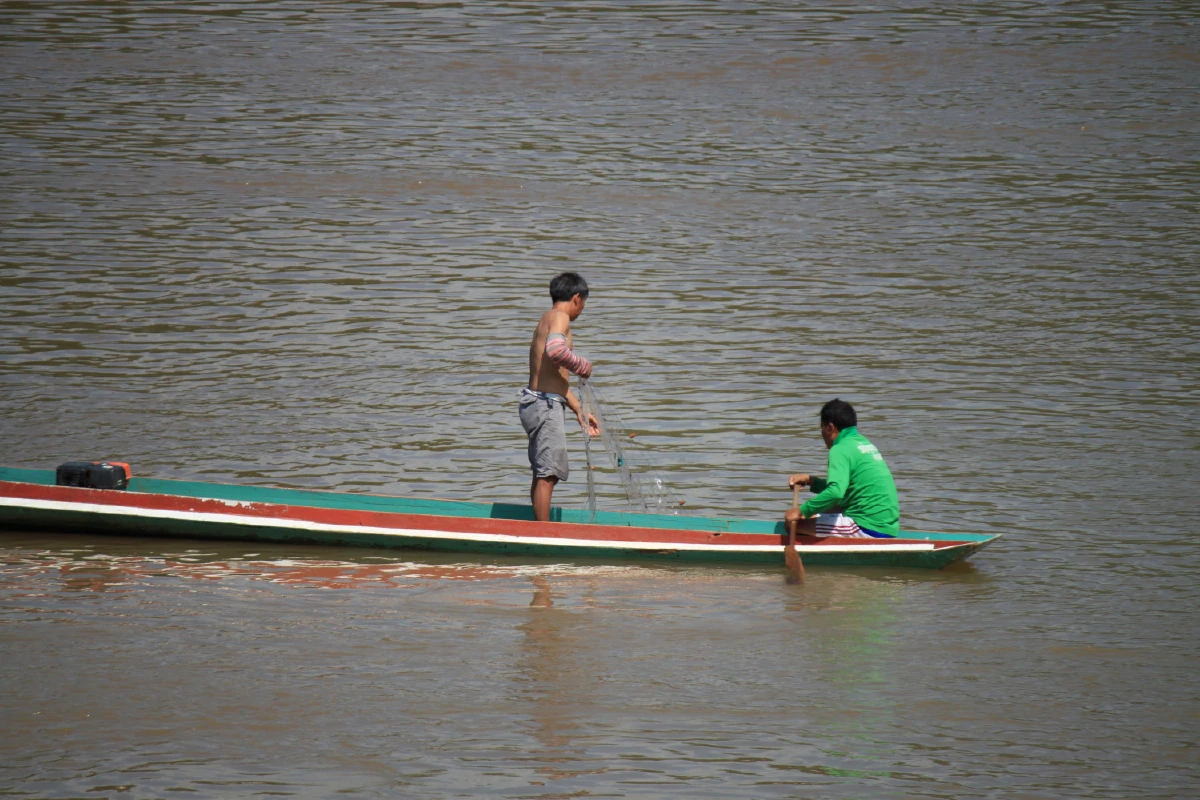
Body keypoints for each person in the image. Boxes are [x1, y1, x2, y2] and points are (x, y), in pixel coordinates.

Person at [520, 272, 600, 522]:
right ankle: (543, 535)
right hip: (545, 405)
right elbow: (556, 351)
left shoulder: (547, 318)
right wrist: (581, 365)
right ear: (577, 298)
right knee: (548, 475)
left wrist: (578, 409)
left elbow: (555, 377)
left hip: (535, 400)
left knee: (541, 472)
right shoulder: (561, 318)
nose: (582, 310)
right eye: (583, 303)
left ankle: (538, 527)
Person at [784, 398, 900, 538]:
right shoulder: (863, 443)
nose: (822, 434)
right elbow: (847, 489)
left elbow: (836, 492)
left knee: (792, 523)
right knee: (821, 511)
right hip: (888, 526)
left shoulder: (839, 449)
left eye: (821, 428)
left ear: (829, 428)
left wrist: (802, 511)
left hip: (869, 528)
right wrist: (811, 481)